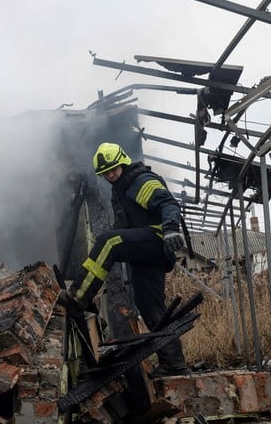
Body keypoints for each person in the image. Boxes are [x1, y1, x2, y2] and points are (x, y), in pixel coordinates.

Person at [58, 142, 189, 377]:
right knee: (150, 306)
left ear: (123, 162)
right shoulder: (120, 188)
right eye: (106, 173)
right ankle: (173, 362)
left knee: (109, 241)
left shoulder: (138, 180)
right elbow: (125, 226)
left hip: (156, 239)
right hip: (148, 252)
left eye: (114, 169)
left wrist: (170, 229)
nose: (110, 175)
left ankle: (78, 295)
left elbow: (168, 203)